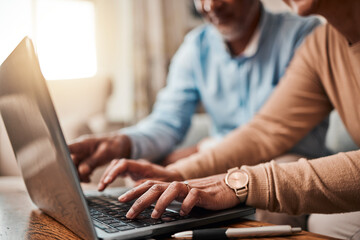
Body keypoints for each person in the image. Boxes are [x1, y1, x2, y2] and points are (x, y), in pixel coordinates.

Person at [104, 0, 360, 238]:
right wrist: (176, 173)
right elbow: (265, 131)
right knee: (324, 224)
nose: (210, 4)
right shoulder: (323, 44)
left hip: (292, 164)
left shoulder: (301, 33)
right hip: (250, 168)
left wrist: (240, 183)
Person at [70, 0, 326, 181]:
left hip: (286, 157)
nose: (209, 5)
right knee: (141, 175)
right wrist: (122, 142)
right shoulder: (196, 46)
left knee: (280, 172)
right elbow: (168, 122)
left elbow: (272, 132)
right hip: (217, 158)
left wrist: (205, 151)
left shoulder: (304, 35)